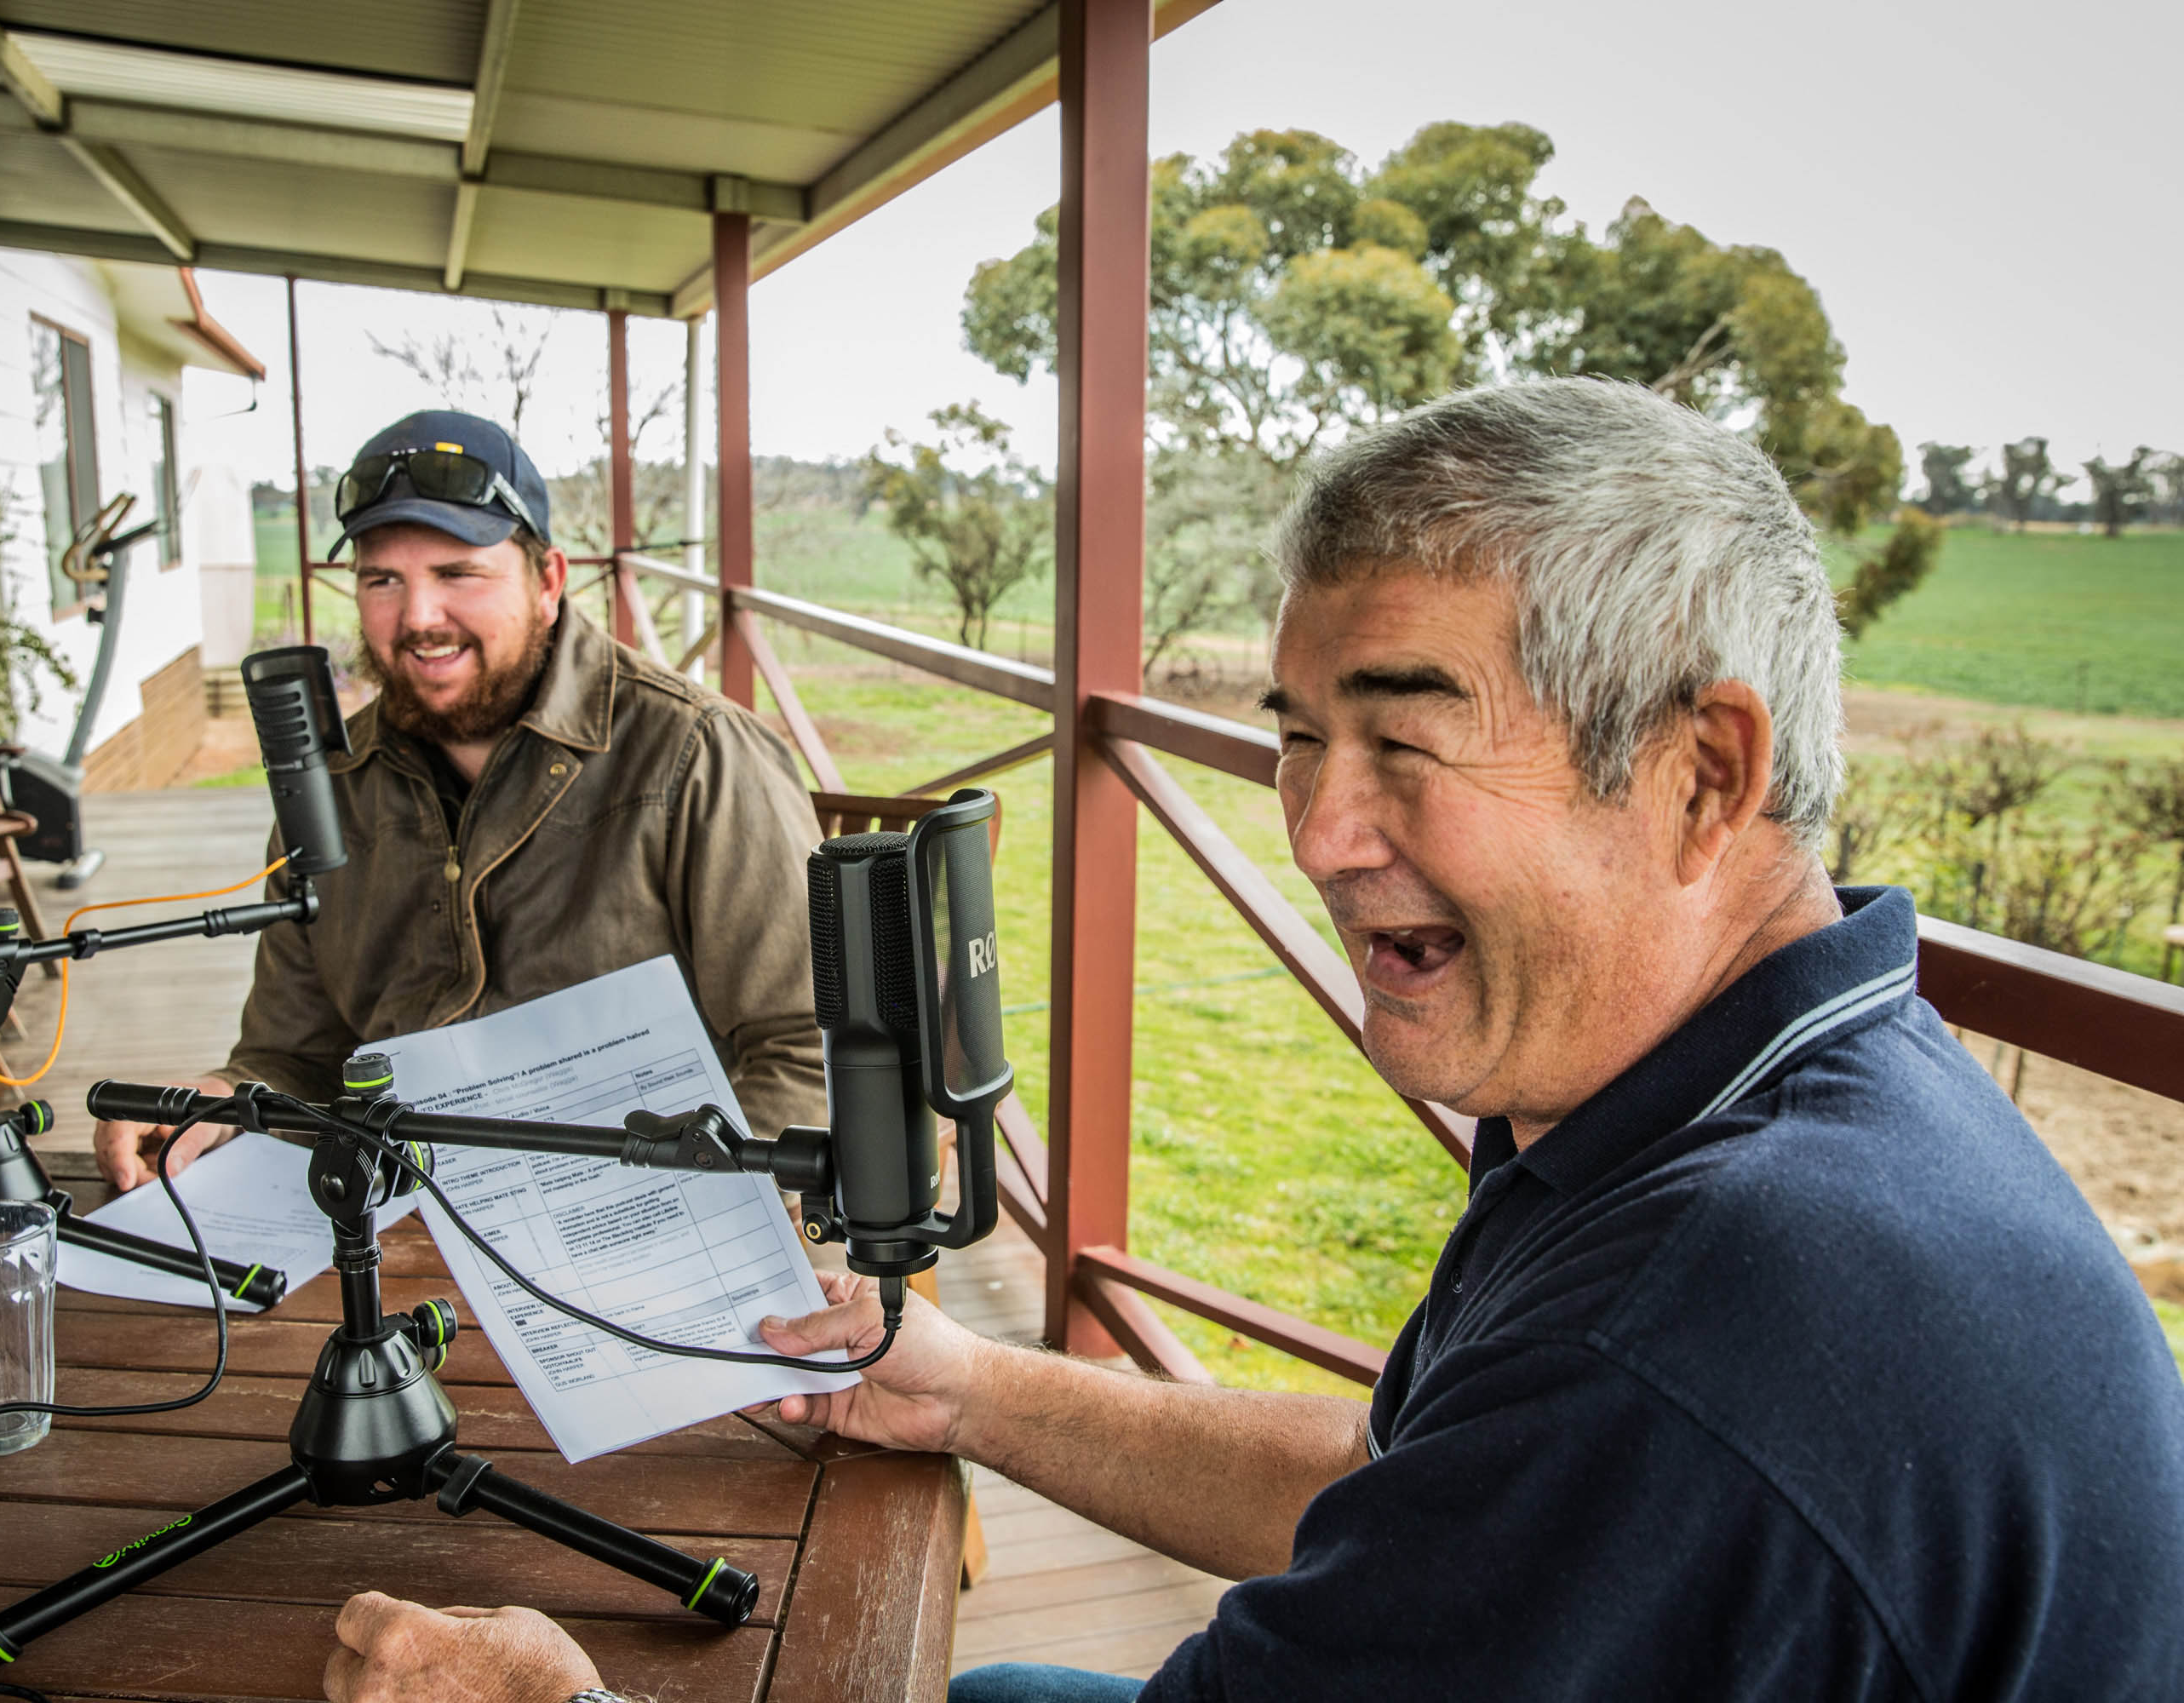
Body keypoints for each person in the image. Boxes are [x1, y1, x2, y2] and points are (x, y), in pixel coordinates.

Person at [318, 380, 2184, 1702]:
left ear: (1703, 774)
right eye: (1296, 733)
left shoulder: (1719, 1313)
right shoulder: (1764, 1091)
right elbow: (1421, 1485)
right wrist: (968, 1389)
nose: (1315, 828)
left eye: (1403, 734)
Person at [93, 410, 825, 1191]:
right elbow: (294, 1056)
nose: (417, 619)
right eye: (383, 580)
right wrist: (230, 1096)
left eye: (457, 574)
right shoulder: (331, 785)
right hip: (402, 1227)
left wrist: (678, 1224)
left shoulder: (699, 757)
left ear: (548, 583)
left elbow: (810, 1053)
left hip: (656, 1232)